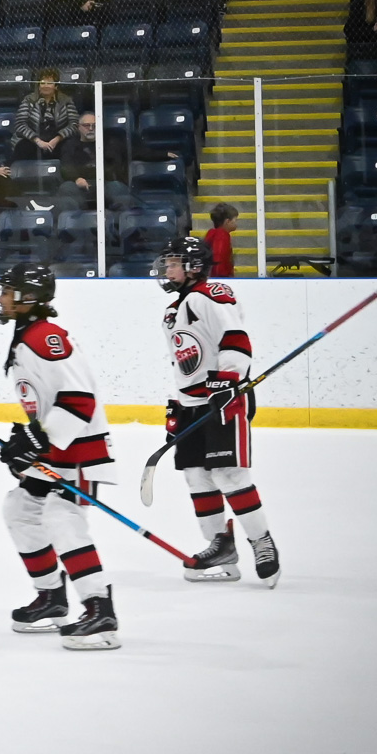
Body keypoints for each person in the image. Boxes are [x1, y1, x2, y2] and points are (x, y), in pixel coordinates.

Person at [0, 263, 120, 650]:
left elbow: (79, 399)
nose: (3, 298)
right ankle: (51, 598)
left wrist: (38, 437)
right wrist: (29, 439)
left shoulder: (45, 337)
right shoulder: (28, 335)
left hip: (80, 449)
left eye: (10, 291)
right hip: (56, 448)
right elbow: (45, 400)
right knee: (20, 508)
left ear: (29, 298)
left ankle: (100, 611)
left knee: (62, 519)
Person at [156, 237, 280, 588]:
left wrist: (227, 380)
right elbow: (183, 360)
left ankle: (262, 543)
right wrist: (175, 402)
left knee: (228, 475)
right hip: (191, 404)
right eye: (167, 262)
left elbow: (236, 339)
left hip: (224, 399)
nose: (167, 268)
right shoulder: (172, 309)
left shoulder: (207, 296)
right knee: (197, 476)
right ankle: (222, 546)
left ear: (194, 267)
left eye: (174, 262)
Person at [57, 112, 131, 211]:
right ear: (78, 127)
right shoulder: (70, 145)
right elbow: (66, 166)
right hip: (79, 184)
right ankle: (74, 224)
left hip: (106, 183)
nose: (91, 129)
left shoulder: (110, 143)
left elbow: (114, 167)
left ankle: (121, 223)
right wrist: (77, 178)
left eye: (95, 126)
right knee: (66, 188)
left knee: (118, 188)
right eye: (87, 125)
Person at [14, 70, 78, 161]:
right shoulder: (29, 100)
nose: (46, 86)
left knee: (70, 147)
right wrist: (38, 141)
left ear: (56, 86)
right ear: (38, 86)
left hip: (59, 141)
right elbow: (20, 125)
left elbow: (74, 124)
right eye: (43, 83)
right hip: (34, 141)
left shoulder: (66, 101)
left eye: (50, 83)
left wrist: (57, 139)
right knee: (22, 147)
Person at [201, 202, 238, 277]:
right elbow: (218, 259)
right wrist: (222, 277)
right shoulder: (222, 235)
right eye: (235, 220)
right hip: (220, 277)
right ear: (228, 221)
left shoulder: (214, 233)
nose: (237, 223)